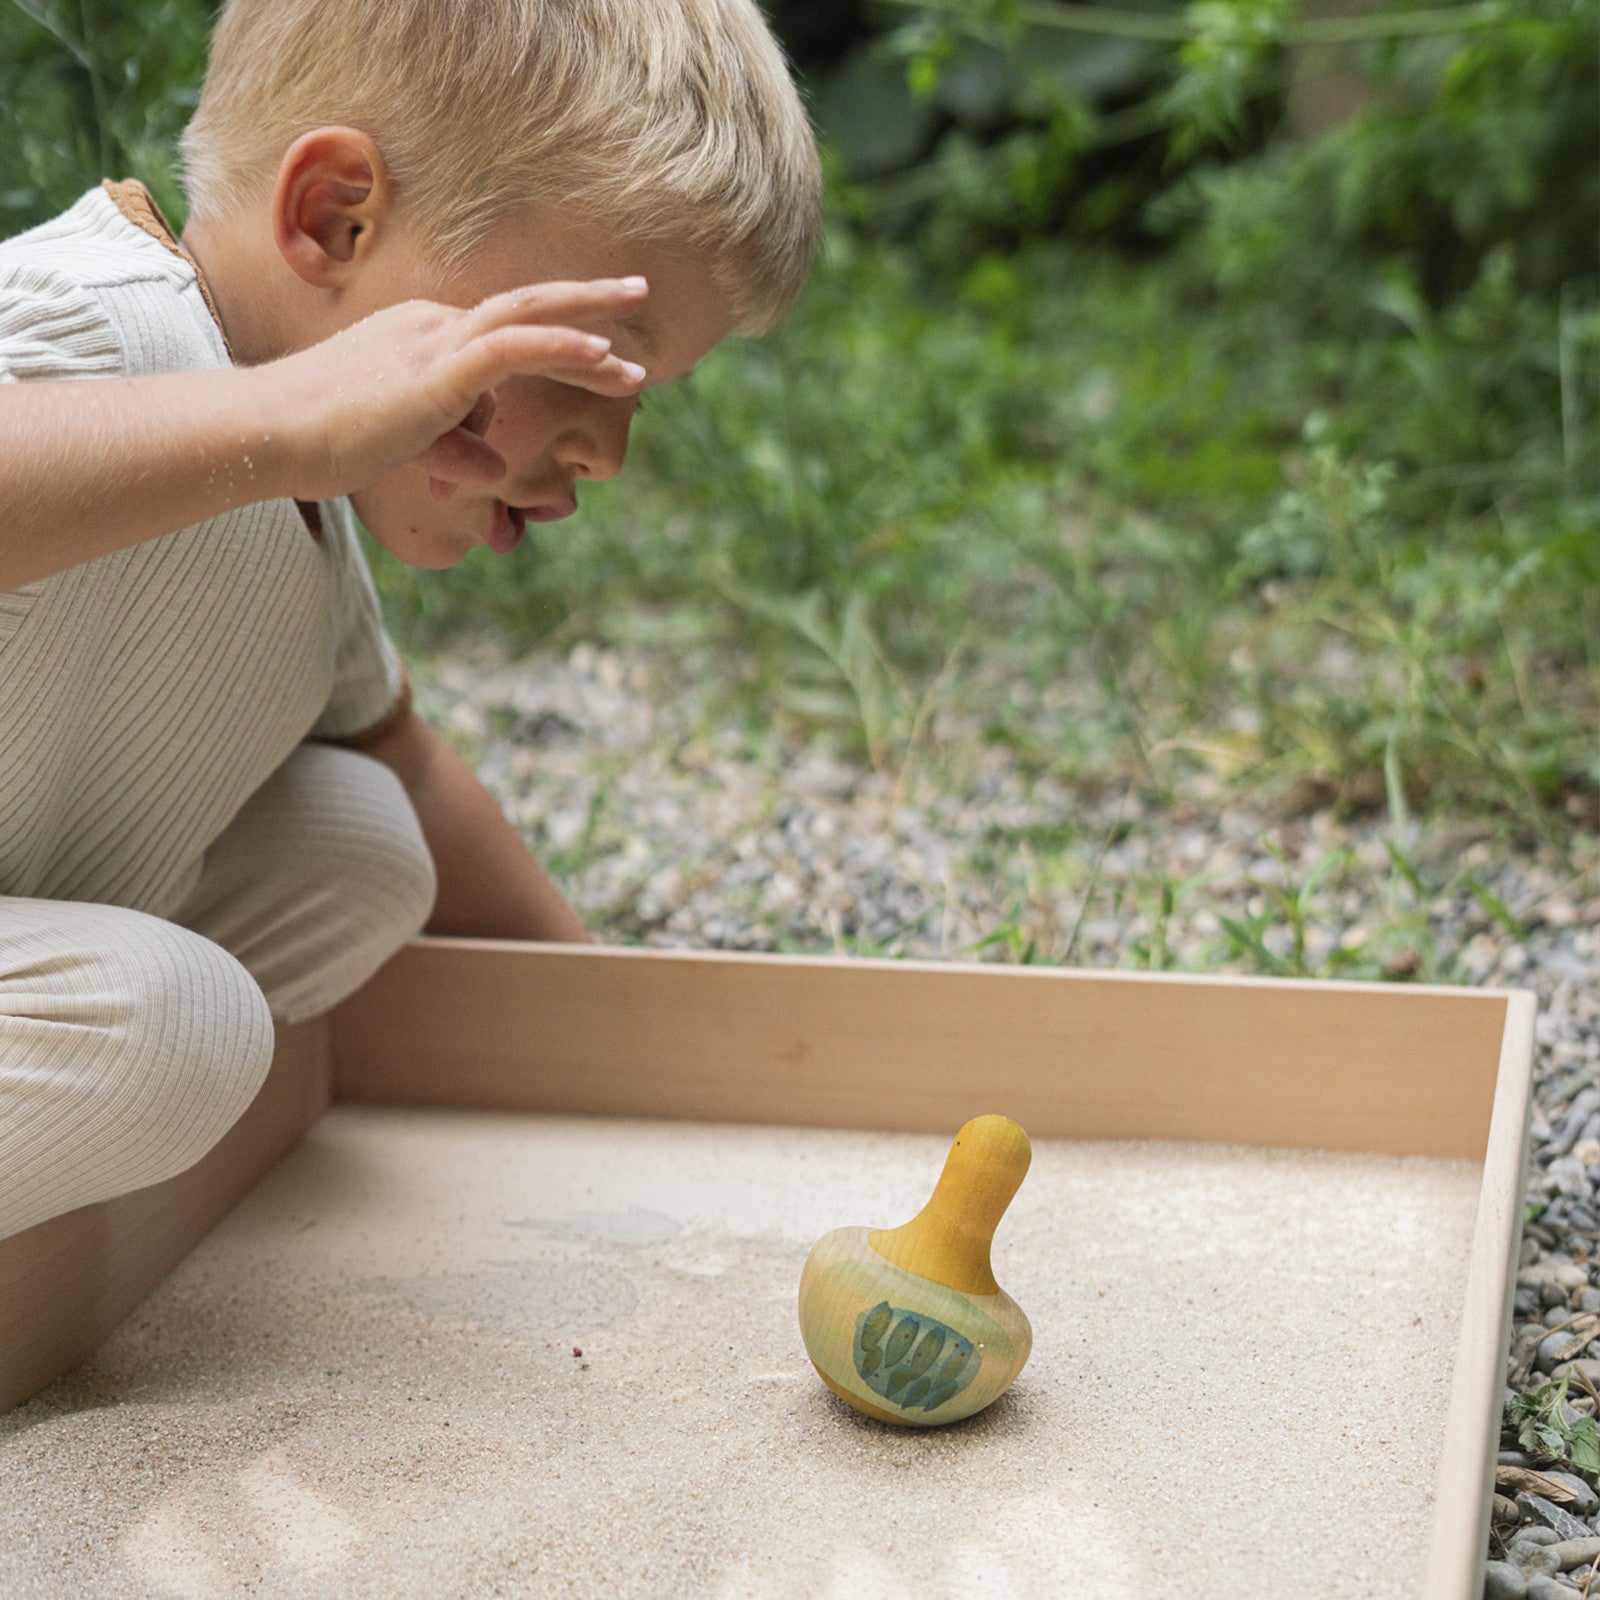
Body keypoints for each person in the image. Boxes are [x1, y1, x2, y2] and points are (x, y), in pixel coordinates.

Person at [0, 0, 822, 1241]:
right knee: (175, 1024)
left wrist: (625, 1042)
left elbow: (407, 763)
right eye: (573, 364)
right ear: (335, 218)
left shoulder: (303, 509)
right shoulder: (105, 322)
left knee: (367, 846)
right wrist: (278, 425)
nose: (605, 450)